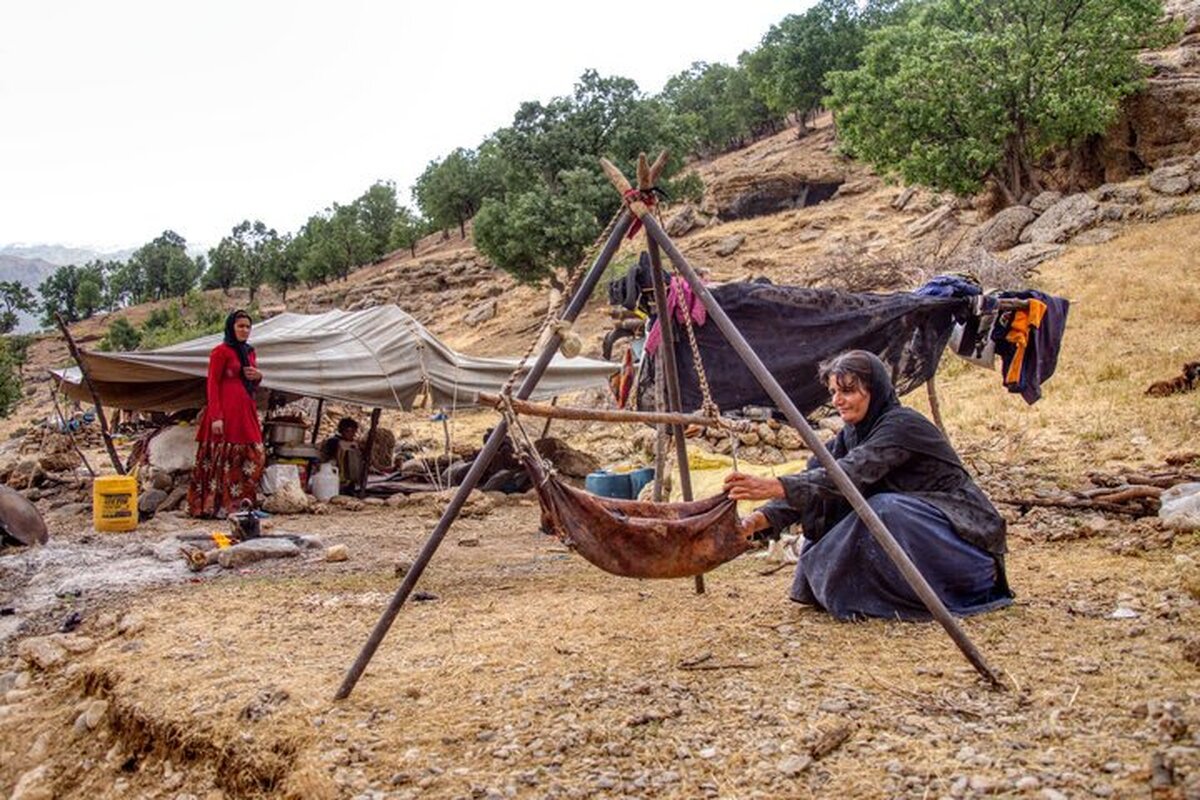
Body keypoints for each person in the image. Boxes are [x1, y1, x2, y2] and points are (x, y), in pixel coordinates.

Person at [724, 350, 1013, 621]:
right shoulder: (851, 435)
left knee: (883, 509)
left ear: (875, 391)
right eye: (834, 392)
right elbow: (818, 477)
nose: (838, 400)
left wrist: (777, 485)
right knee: (830, 509)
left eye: (848, 391)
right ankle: (872, 597)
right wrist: (755, 521)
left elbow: (849, 474)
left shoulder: (902, 425)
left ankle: (920, 596)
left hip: (966, 554)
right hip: (919, 547)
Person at [187, 310, 266, 518]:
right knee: (222, 459)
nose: (245, 330)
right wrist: (216, 416)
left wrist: (258, 376)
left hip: (245, 410)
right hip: (226, 412)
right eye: (240, 326)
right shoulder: (220, 352)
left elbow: (252, 383)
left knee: (254, 455)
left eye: (248, 327)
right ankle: (217, 506)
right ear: (231, 327)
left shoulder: (250, 352)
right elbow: (212, 384)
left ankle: (242, 504)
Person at [320, 417, 363, 495]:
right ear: (342, 431)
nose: (352, 434)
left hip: (349, 475)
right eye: (348, 431)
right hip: (335, 470)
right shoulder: (333, 441)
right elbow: (328, 457)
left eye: (353, 431)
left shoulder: (353, 443)